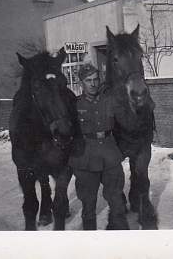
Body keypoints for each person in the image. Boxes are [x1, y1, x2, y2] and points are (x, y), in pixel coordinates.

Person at [69, 63, 130, 230]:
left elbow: (124, 126)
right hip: (85, 160)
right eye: (89, 80)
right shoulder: (74, 105)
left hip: (110, 157)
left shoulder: (110, 102)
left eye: (96, 79)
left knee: (117, 202)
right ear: (81, 82)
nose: (93, 83)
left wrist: (121, 151)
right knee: (88, 207)